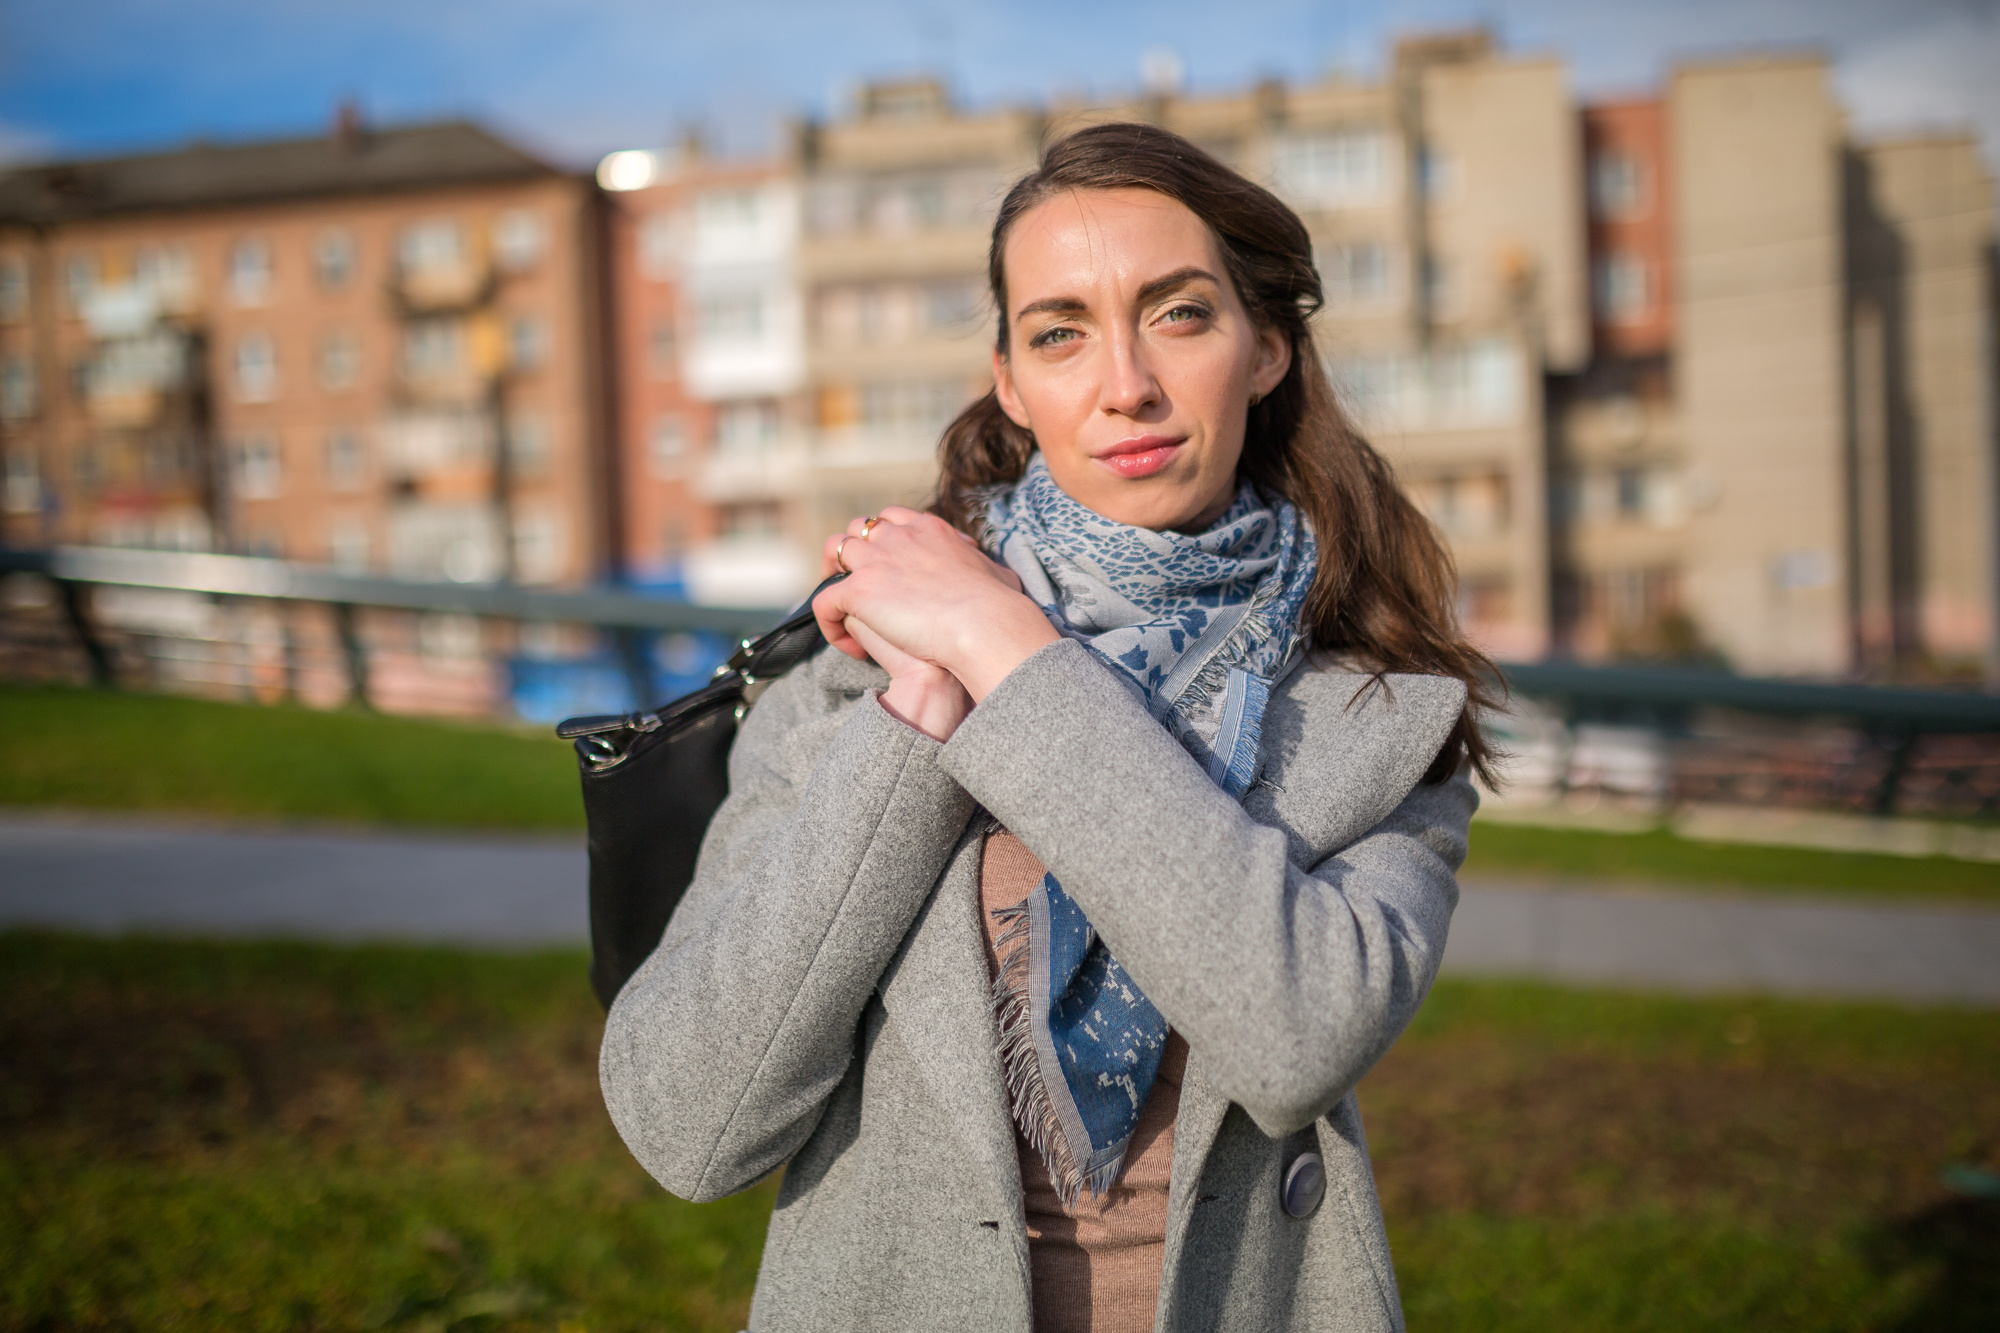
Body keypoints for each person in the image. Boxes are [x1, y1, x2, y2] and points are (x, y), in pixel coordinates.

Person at [599, 121, 1496, 1333]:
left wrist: (1009, 652)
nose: (1123, 381)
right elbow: (687, 1125)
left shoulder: (1382, 716)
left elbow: (1292, 1039)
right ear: (1011, 383)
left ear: (1267, 346)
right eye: (1060, 331)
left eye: (1178, 313)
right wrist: (922, 711)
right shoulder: (849, 683)